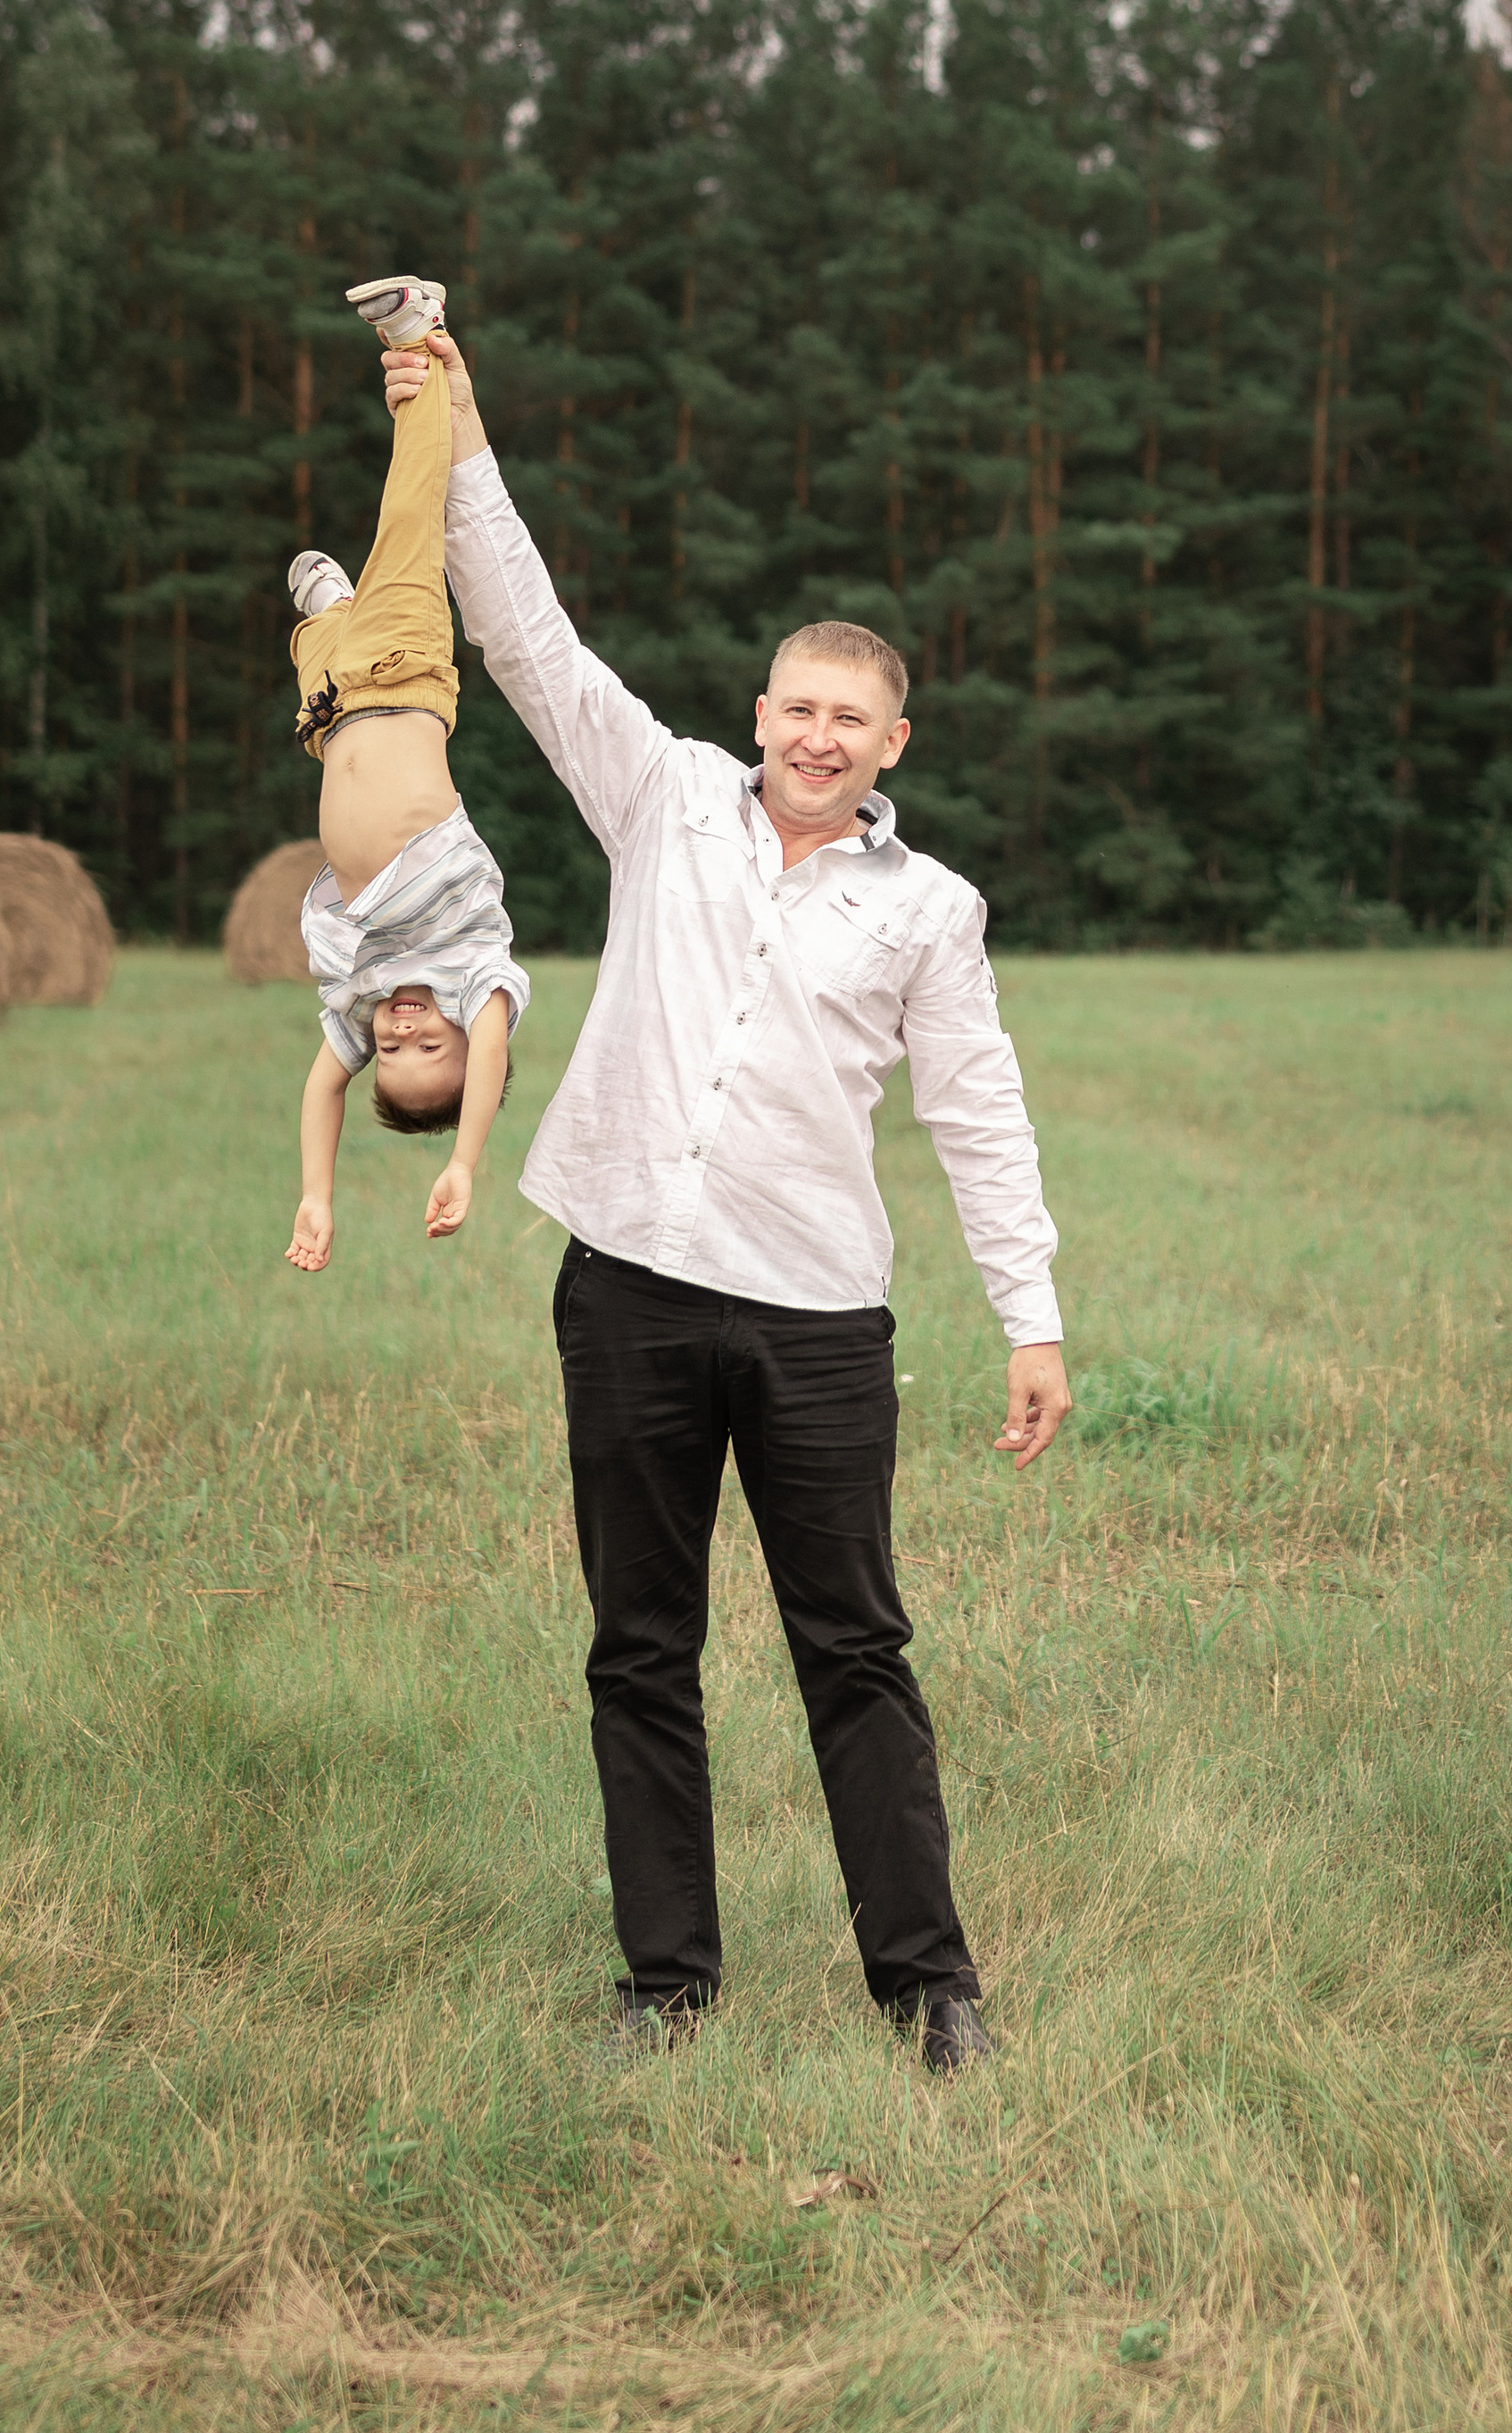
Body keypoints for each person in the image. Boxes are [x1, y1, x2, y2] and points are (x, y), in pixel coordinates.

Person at [384, 322, 1070, 2074]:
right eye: (795, 709)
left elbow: (977, 1116)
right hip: (625, 1289)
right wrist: (450, 432)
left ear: (889, 736)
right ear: (756, 717)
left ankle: (930, 1994)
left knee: (853, 1649)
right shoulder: (663, 801)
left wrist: (1030, 1317)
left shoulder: (931, 910)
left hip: (818, 1321)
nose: (817, 736)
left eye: (852, 717)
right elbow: (524, 637)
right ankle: (664, 1988)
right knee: (640, 1649)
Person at [282, 276, 528, 1271]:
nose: (406, 1031)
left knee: (313, 640)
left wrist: (317, 1194)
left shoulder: (362, 991)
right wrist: (464, 1164)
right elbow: (492, 1054)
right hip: (403, 674)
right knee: (411, 508)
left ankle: (325, 611)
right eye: (434, 1049)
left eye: (396, 1051)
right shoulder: (478, 970)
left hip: (332, 705)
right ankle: (420, 332)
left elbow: (319, 1087)